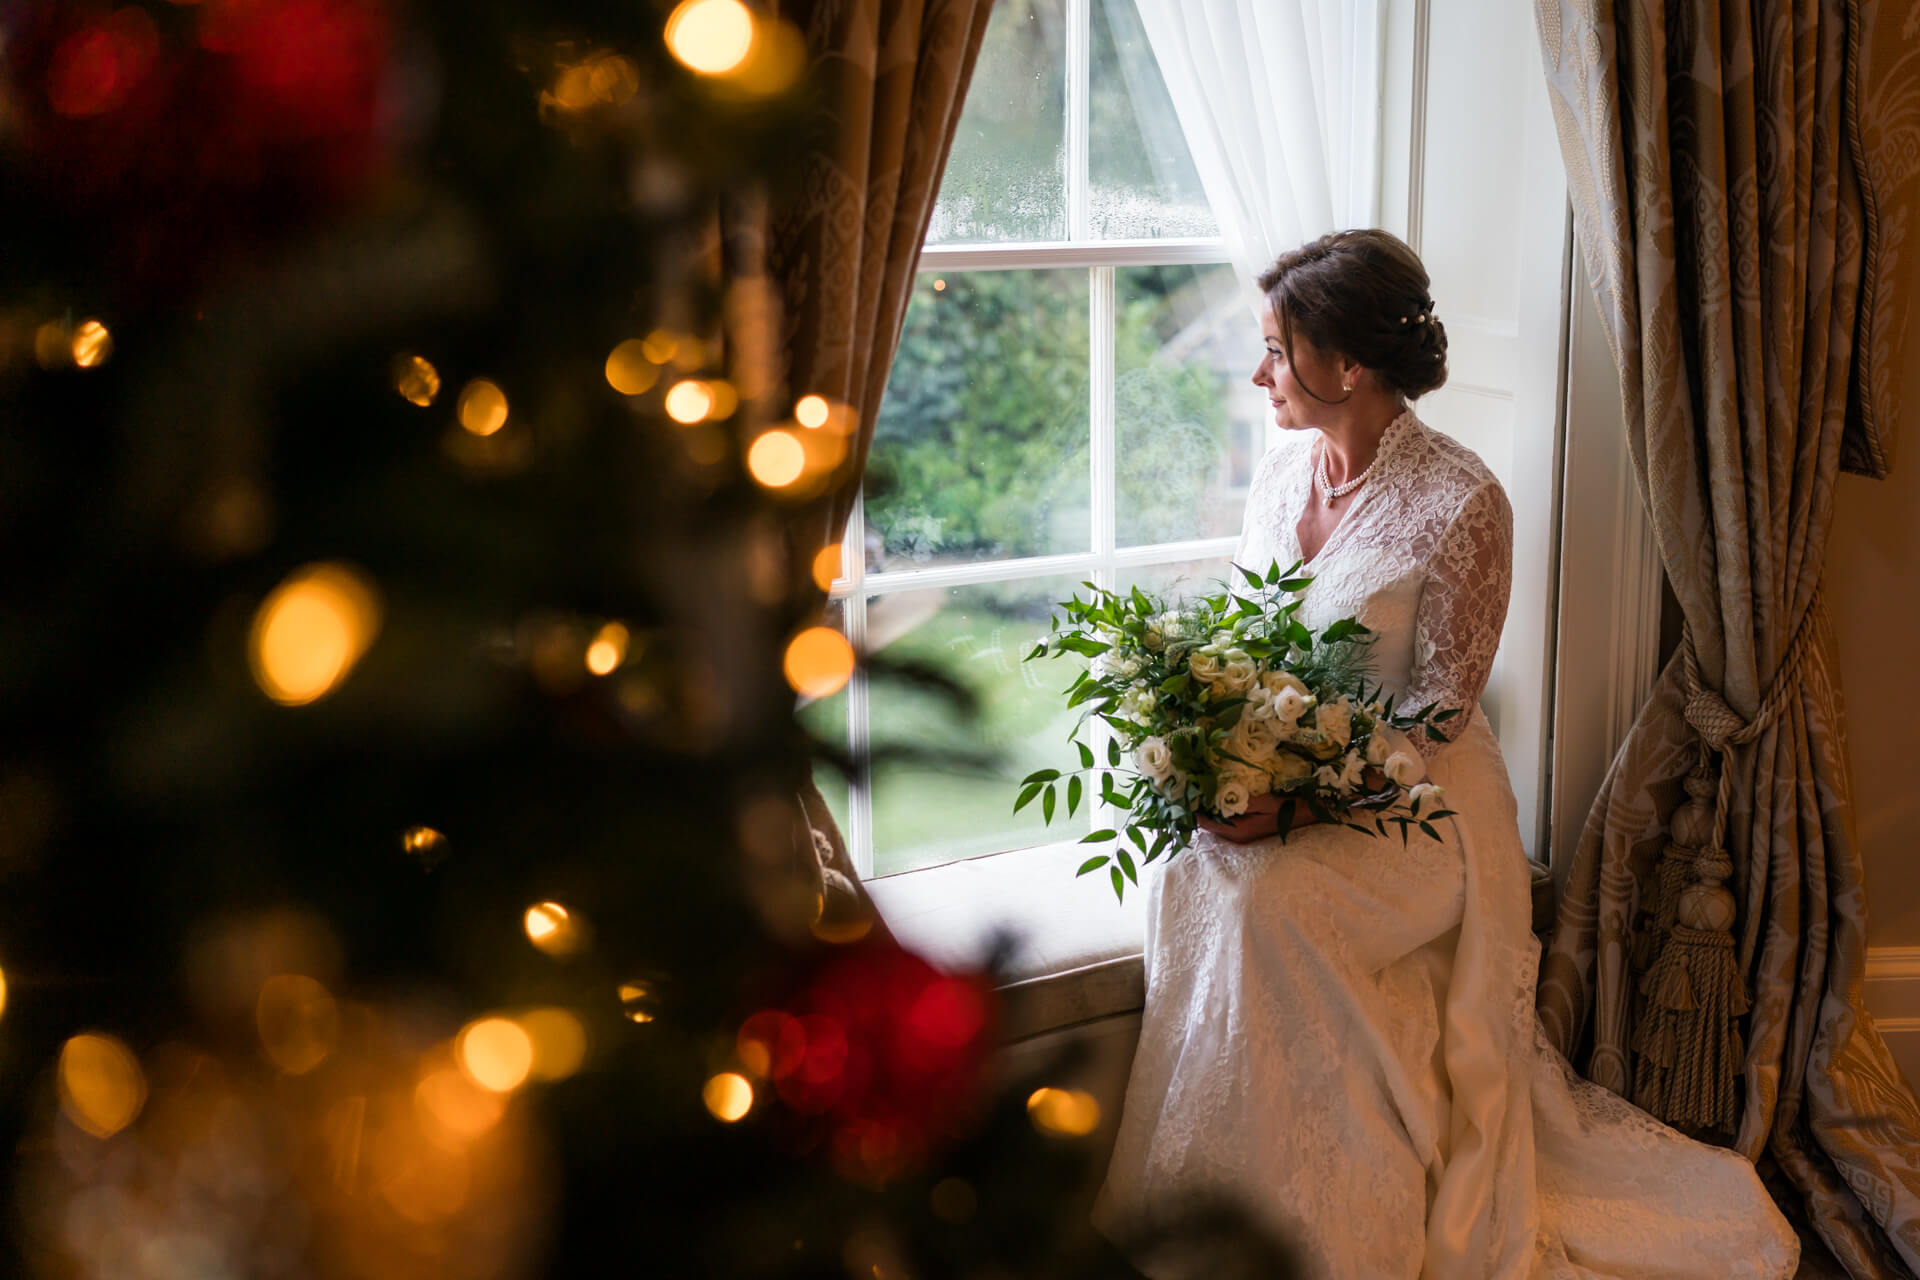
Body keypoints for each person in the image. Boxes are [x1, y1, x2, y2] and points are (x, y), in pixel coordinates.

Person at [1090, 230, 1800, 1279]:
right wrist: (1220, 754)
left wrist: (1290, 808)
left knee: (1272, 906)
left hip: (1425, 814)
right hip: (1299, 775)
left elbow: (1436, 719)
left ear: (1350, 365)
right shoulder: (1282, 476)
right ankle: (1213, 1212)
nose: (1259, 374)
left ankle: (1327, 1238)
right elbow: (1253, 647)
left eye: (1277, 351)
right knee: (1195, 875)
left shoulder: (1466, 502)